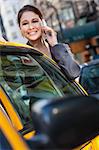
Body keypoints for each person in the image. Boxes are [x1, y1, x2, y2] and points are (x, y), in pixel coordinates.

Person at [17, 5, 80, 80]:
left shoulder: (60, 48)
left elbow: (73, 73)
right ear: (20, 29)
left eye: (34, 21)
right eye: (25, 23)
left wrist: (54, 44)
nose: (31, 27)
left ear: (43, 23)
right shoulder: (23, 58)